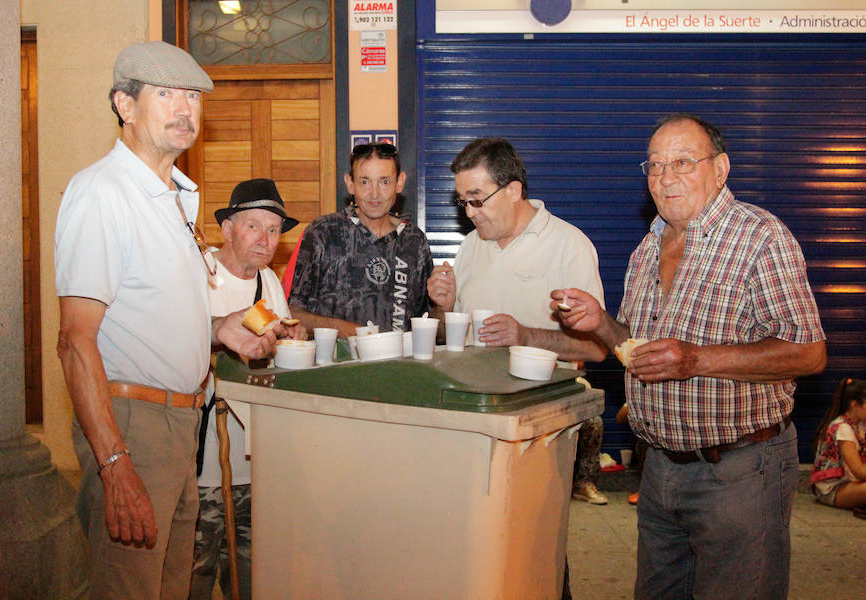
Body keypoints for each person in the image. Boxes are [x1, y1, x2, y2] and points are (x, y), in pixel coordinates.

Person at [554, 113, 827, 599]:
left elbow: (808, 354)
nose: (665, 177)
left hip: (741, 471)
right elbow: (637, 348)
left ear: (720, 169)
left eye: (683, 161)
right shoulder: (647, 248)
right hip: (659, 468)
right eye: (655, 166)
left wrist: (697, 359)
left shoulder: (760, 237)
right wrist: (602, 323)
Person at [55, 41, 284, 600]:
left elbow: (146, 311)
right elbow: (75, 340)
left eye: (193, 97)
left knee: (170, 587)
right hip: (133, 422)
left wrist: (216, 329)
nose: (185, 109)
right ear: (124, 105)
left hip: (182, 427)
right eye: (166, 95)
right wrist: (114, 463)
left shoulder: (174, 198)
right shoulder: (103, 193)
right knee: (127, 587)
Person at [426, 137, 610, 505]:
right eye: (463, 202)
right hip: (476, 417)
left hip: (541, 427)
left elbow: (597, 349)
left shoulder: (568, 246)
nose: (469, 213)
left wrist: (524, 335)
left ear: (513, 190)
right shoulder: (472, 246)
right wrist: (442, 307)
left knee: (535, 538)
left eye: (477, 199)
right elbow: (447, 334)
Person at [190, 179, 306, 599]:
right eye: (253, 226)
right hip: (202, 460)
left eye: (274, 229)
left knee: (250, 571)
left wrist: (293, 339)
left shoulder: (269, 284)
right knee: (195, 570)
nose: (265, 239)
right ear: (228, 228)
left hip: (253, 457)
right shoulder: (196, 273)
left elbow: (278, 352)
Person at [288, 142, 433, 336]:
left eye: (384, 181)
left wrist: (444, 305)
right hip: (334, 364)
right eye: (365, 181)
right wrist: (344, 329)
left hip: (397, 365)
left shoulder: (415, 241)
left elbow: (429, 322)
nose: (374, 193)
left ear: (400, 182)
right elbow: (292, 314)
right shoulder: (322, 233)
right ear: (350, 183)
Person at [810, 378, 866, 520]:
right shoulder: (843, 428)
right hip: (834, 489)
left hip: (852, 483)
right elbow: (859, 472)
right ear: (855, 405)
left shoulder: (860, 426)